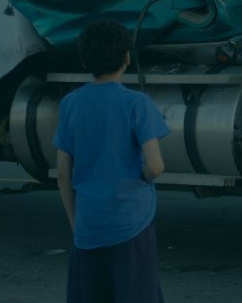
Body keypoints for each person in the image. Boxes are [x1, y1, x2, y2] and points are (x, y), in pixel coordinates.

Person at [53, 19, 171, 303]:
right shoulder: (137, 103)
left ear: (84, 62)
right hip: (130, 223)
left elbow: (62, 173)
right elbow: (156, 165)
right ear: (127, 58)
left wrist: (76, 222)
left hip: (89, 227)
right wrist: (142, 176)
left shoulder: (70, 103)